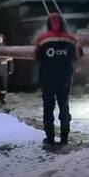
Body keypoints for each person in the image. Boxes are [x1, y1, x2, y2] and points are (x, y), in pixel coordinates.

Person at [34, 12, 81, 145]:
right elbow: (77, 56)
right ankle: (64, 138)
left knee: (48, 108)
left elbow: (37, 57)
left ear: (48, 24)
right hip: (64, 78)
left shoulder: (42, 39)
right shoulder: (70, 39)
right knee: (64, 106)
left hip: (47, 78)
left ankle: (50, 138)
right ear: (62, 23)